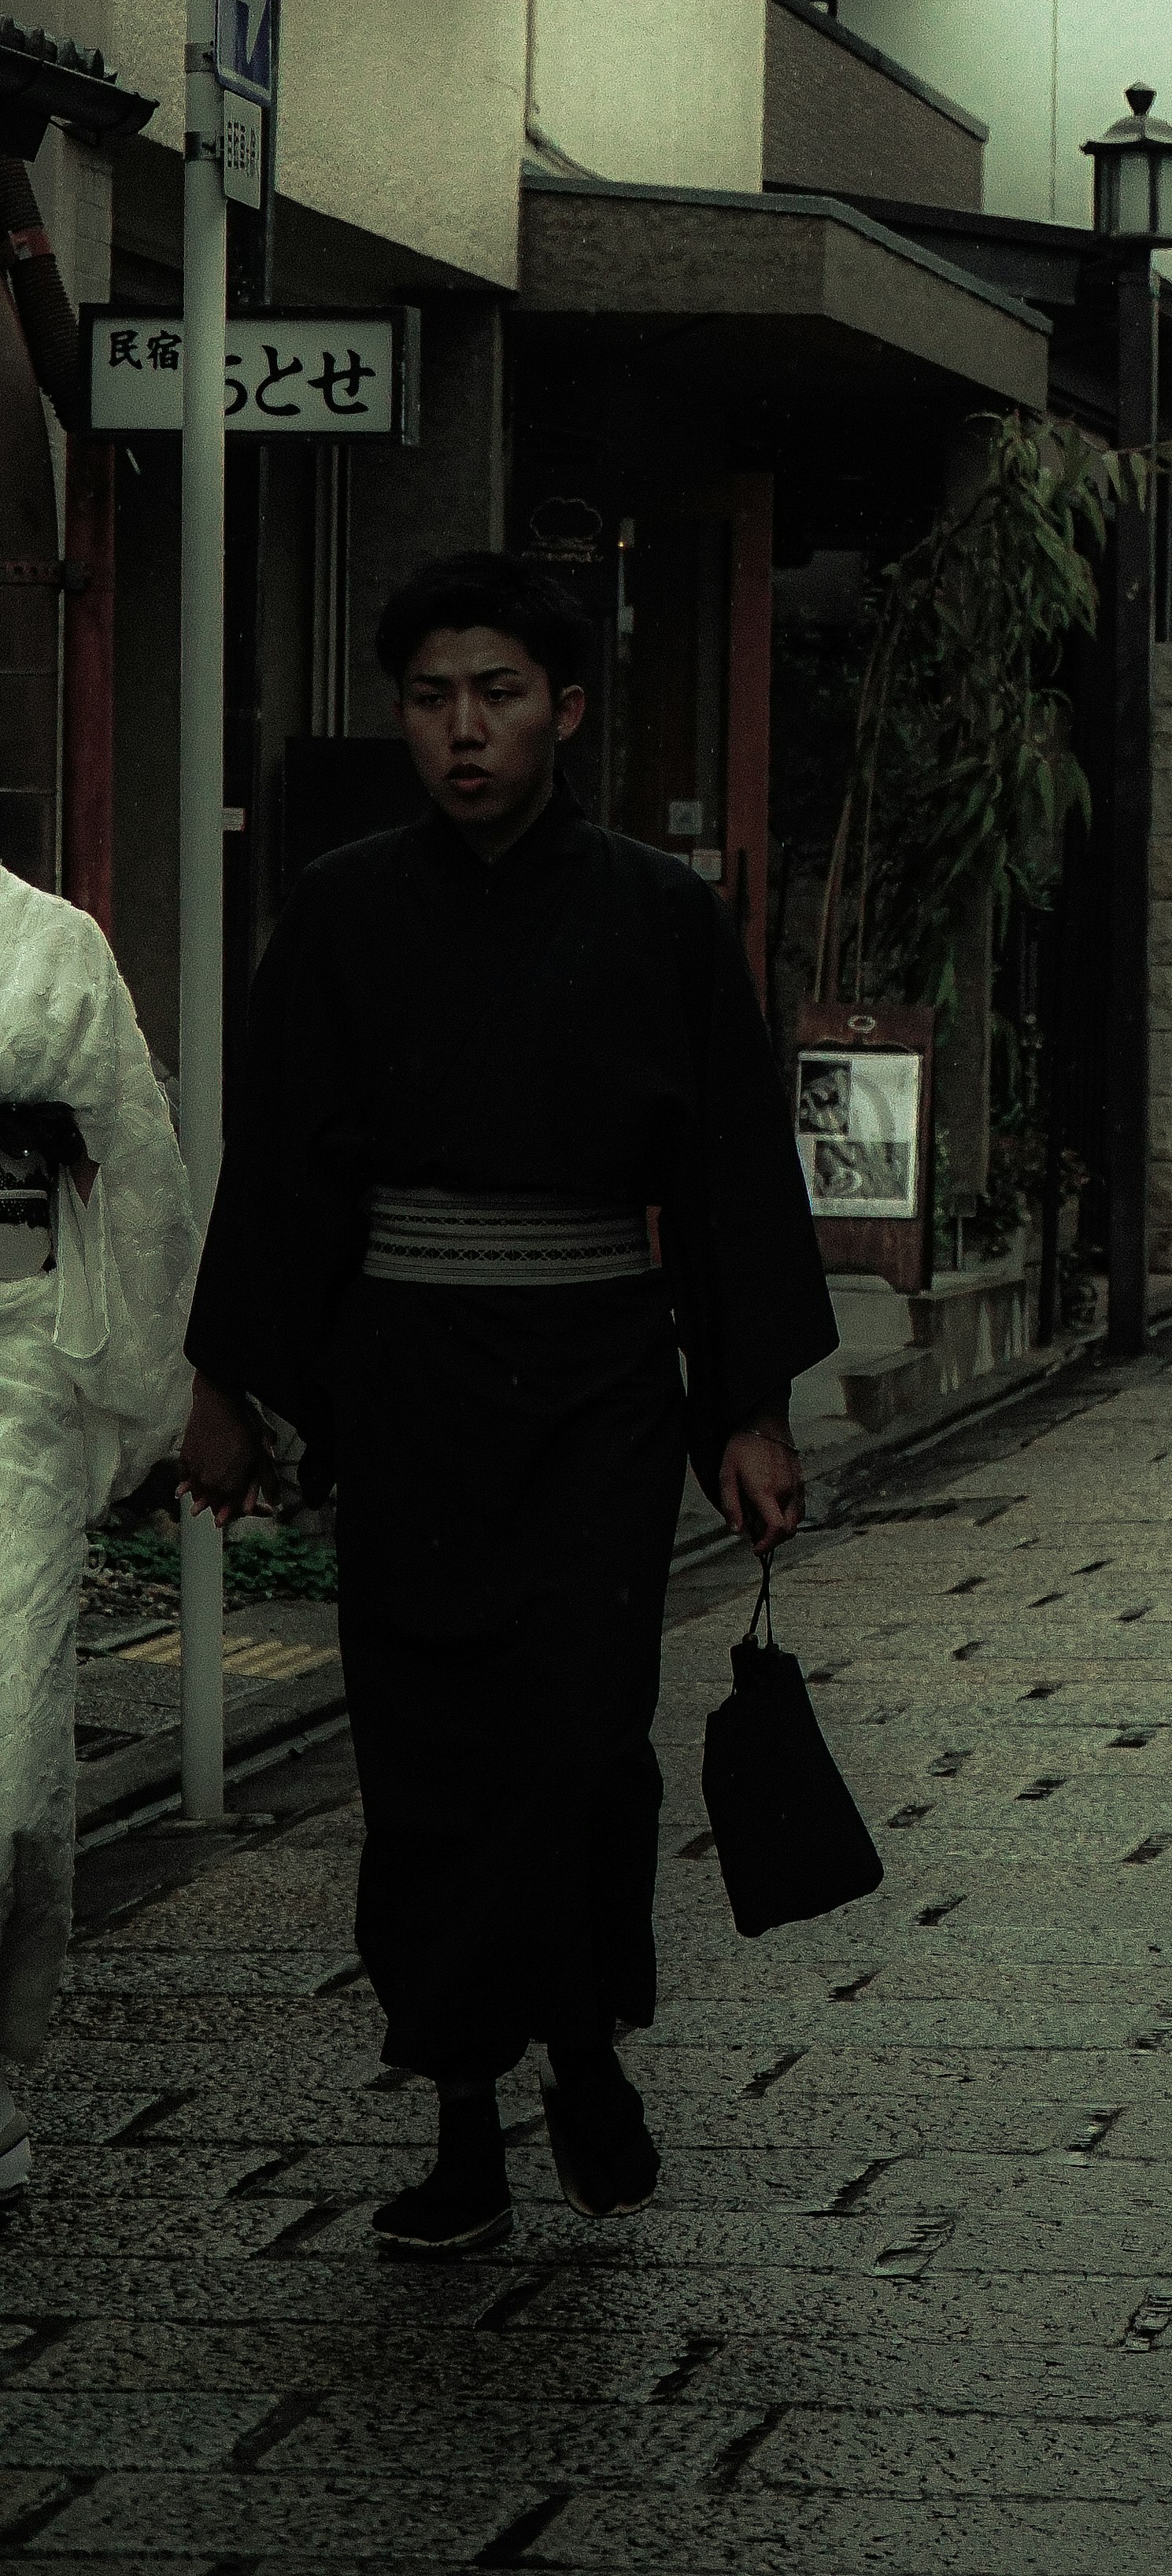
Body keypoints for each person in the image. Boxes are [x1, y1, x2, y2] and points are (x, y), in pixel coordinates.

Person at [182, 554, 837, 2258]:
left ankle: (584, 2050)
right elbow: (279, 1173)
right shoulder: (338, 908)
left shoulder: (656, 914)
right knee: (429, 1754)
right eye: (429, 699)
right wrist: (234, 1386)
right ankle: (463, 2111)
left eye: (496, 695)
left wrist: (744, 1406)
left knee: (581, 1741)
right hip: (410, 1383)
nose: (462, 731)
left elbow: (726, 1175)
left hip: (601, 1386)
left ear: (566, 710)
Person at [0, 865, 198, 2205]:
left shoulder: (49, 941)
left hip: (11, 1375)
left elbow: (135, 1175)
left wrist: (149, 1395)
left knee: (6, 1742)